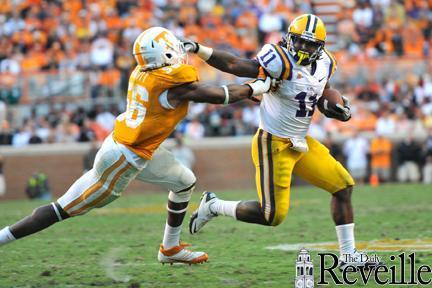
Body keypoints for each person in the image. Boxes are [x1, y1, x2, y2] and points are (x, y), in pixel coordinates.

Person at [0, 27, 272, 265]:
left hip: (136, 148)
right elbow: (221, 95)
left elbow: (203, 89)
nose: (179, 53)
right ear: (164, 56)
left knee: (184, 182)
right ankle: (2, 238)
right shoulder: (173, 85)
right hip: (123, 159)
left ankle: (170, 248)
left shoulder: (143, 70)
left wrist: (243, 85)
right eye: (173, 49)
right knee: (61, 210)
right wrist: (257, 87)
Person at [183, 14, 381, 269]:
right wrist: (200, 49)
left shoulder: (326, 63)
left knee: (343, 187)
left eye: (310, 45)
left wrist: (336, 106)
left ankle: (348, 255)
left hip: (300, 141)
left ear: (320, 47)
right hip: (273, 143)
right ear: (289, 38)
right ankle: (214, 205)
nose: (303, 48)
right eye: (299, 42)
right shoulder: (278, 60)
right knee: (272, 215)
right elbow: (234, 64)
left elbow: (321, 91)